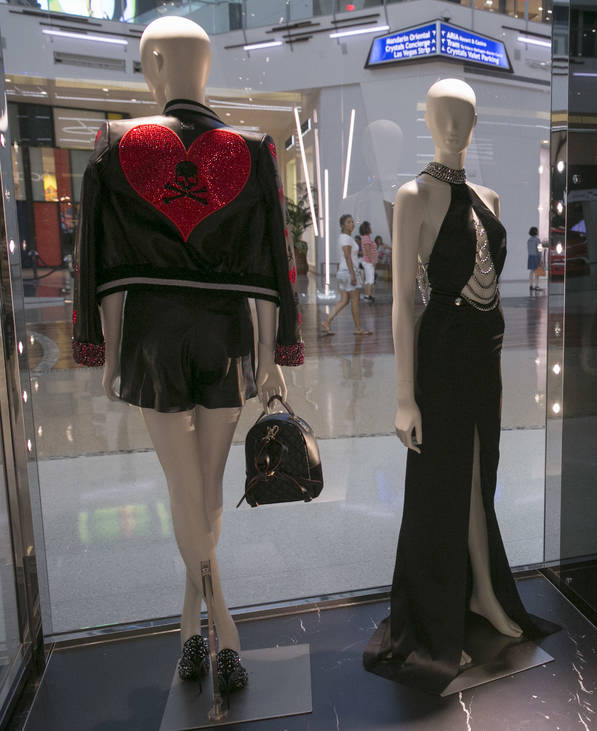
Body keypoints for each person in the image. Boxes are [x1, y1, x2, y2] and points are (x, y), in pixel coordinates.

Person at [71, 16, 303, 692]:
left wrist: (106, 347)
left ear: (155, 67)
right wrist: (270, 349)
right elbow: (273, 265)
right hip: (225, 335)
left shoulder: (117, 144)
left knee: (190, 490)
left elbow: (101, 259)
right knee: (200, 490)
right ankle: (218, 628)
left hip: (154, 338)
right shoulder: (254, 148)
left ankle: (195, 628)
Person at [364, 78, 556, 695]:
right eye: (444, 114)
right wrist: (403, 395)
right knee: (441, 483)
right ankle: (433, 620)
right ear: (427, 118)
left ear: (475, 124)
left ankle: (483, 594)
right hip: (441, 346)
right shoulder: (413, 195)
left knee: (481, 476)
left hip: (487, 349)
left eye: (465, 116)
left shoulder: (491, 197)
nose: (454, 126)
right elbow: (401, 305)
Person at [321, 214, 371, 336]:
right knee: (354, 300)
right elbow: (348, 257)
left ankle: (327, 322)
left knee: (344, 300)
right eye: (349, 222)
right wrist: (353, 275)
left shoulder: (344, 238)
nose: (352, 224)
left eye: (352, 222)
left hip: (343, 272)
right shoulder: (346, 239)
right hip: (348, 273)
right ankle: (358, 328)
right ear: (343, 225)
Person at [359, 220, 378, 302]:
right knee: (370, 279)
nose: (371, 228)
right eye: (369, 227)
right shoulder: (366, 238)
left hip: (368, 262)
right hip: (368, 262)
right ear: (367, 228)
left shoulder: (366, 238)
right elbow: (367, 251)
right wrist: (372, 260)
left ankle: (367, 295)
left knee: (368, 279)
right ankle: (368, 296)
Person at [527, 226, 543, 291]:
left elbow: (528, 249)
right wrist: (541, 258)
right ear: (536, 232)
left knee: (531, 271)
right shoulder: (537, 240)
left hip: (530, 256)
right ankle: (537, 285)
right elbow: (540, 249)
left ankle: (531, 285)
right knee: (537, 272)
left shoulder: (529, 240)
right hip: (536, 256)